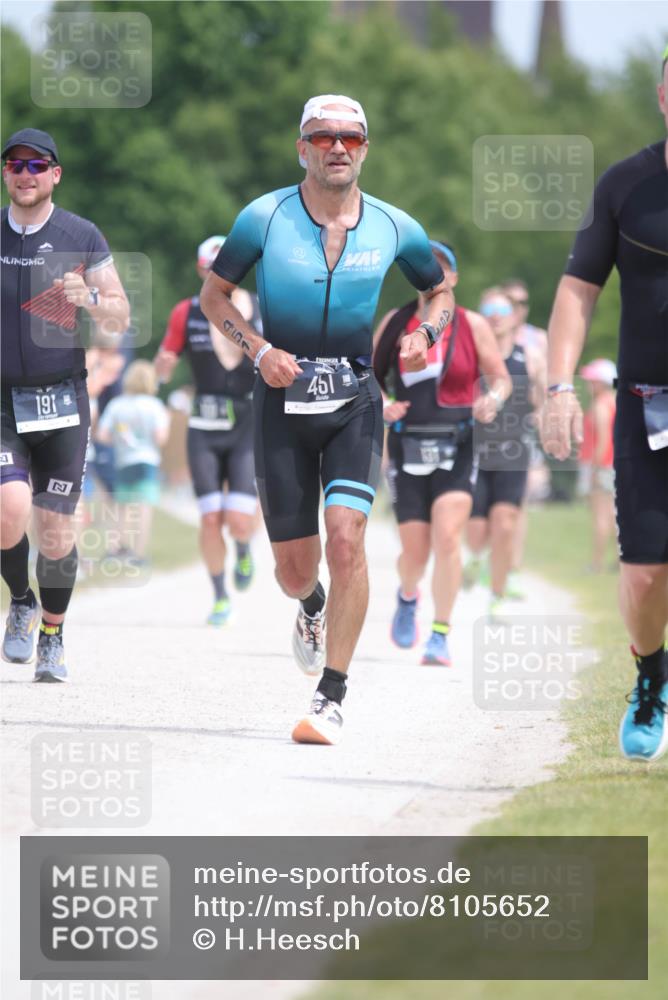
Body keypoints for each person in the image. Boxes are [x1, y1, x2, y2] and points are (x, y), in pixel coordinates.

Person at [200, 94, 453, 744]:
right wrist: (259, 351)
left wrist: (428, 330)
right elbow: (214, 294)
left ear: (365, 148)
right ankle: (311, 606)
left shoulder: (396, 225)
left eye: (349, 138)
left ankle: (332, 694)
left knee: (348, 538)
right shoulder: (265, 217)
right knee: (294, 571)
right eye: (322, 137)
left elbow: (439, 289)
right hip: (281, 401)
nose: (336, 147)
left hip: (355, 402)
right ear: (302, 147)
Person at [541, 49, 668, 762]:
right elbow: (576, 292)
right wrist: (560, 386)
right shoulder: (626, 185)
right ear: (661, 96)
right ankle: (651, 677)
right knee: (648, 571)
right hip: (650, 406)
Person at [1, 128, 129, 681]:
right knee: (7, 511)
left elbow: (121, 315)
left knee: (55, 529)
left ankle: (52, 631)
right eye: (14, 165)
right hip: (3, 402)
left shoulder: (81, 235)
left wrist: (92, 299)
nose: (24, 174)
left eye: (36, 166)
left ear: (55, 174)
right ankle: (22, 601)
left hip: (62, 402)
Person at [374, 242, 510, 666]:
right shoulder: (396, 323)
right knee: (415, 553)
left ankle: (440, 633)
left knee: (448, 537)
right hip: (408, 443)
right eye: (425, 269)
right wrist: (382, 403)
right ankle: (408, 594)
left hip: (459, 442)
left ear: (453, 278)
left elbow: (501, 379)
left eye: (443, 269)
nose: (434, 276)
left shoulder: (471, 325)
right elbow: (367, 376)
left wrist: (494, 399)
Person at [155, 236, 261, 625]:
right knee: (210, 517)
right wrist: (163, 366)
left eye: (225, 269)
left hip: (248, 423)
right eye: (209, 269)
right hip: (204, 424)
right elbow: (167, 352)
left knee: (238, 518)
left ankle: (245, 546)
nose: (219, 276)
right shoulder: (187, 311)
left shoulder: (261, 308)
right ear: (201, 272)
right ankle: (219, 596)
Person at [465, 287, 546, 622]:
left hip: (514, 453)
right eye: (489, 308)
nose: (496, 314)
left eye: (503, 308)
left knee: (505, 525)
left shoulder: (530, 358)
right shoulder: (471, 355)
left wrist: (545, 451)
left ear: (514, 316)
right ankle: (475, 559)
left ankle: (496, 597)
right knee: (477, 533)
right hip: (473, 453)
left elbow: (541, 405)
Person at [96, 360, 170, 565]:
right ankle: (138, 554)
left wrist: (120, 440)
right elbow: (160, 438)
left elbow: (102, 435)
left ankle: (115, 548)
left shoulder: (117, 404)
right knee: (143, 507)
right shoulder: (154, 406)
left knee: (121, 506)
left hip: (123, 460)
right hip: (147, 461)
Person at [577, 358, 617, 573]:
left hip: (602, 466)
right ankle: (619, 559)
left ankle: (597, 562)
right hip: (612, 465)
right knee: (613, 516)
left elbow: (603, 441)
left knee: (601, 516)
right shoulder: (615, 401)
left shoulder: (600, 406)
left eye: (592, 380)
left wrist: (594, 469)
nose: (589, 384)